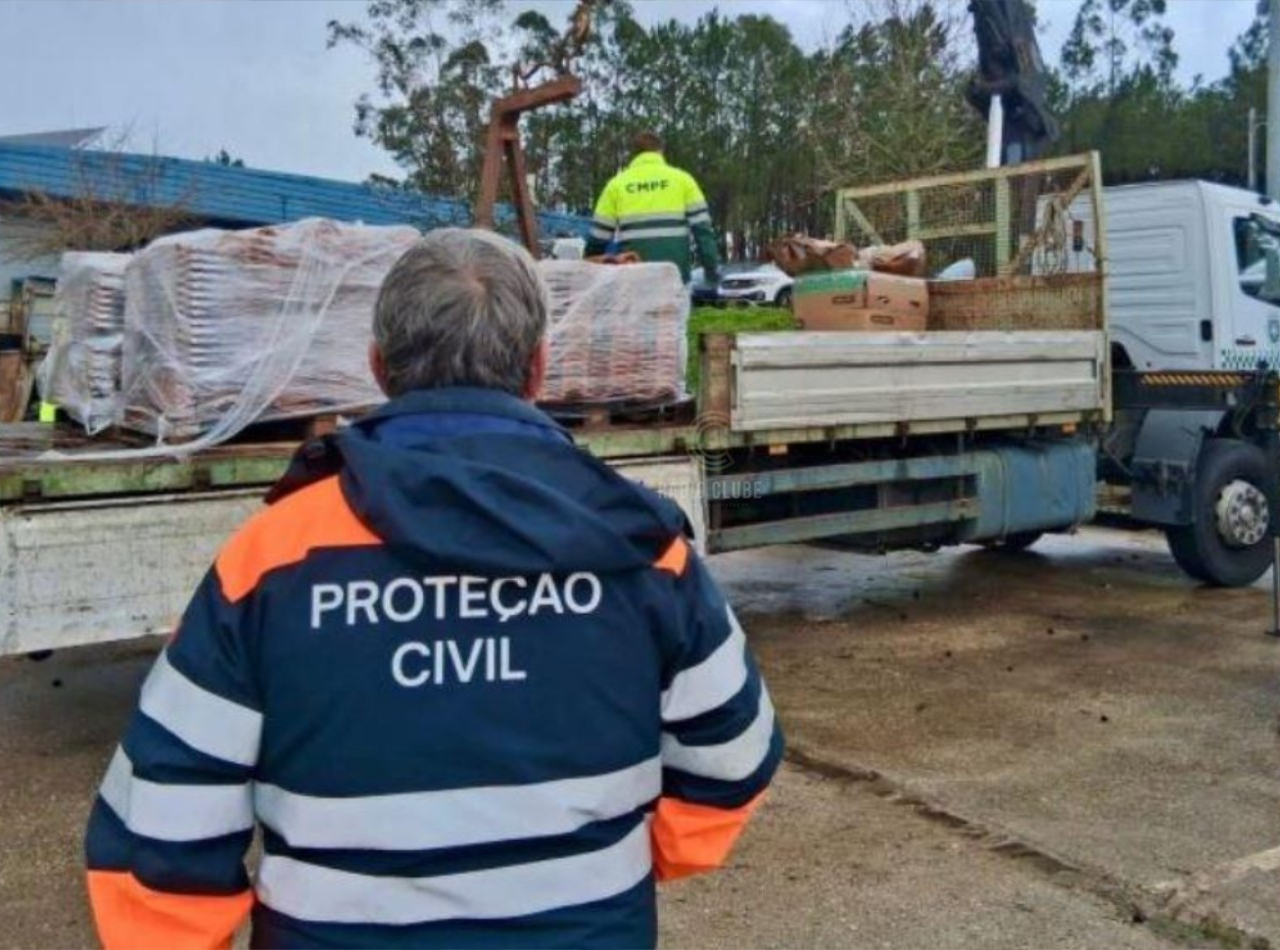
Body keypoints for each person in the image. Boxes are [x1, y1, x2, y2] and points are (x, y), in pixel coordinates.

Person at [84, 229, 782, 949]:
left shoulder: (272, 556)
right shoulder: (642, 547)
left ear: (378, 367)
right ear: (537, 369)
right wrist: (627, 865)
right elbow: (733, 752)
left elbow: (165, 812)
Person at [586, 131, 721, 284]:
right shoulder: (683, 180)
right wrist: (712, 271)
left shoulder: (616, 185)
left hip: (633, 278)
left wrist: (588, 267)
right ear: (660, 151)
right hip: (675, 277)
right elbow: (703, 232)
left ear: (634, 154)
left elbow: (598, 238)